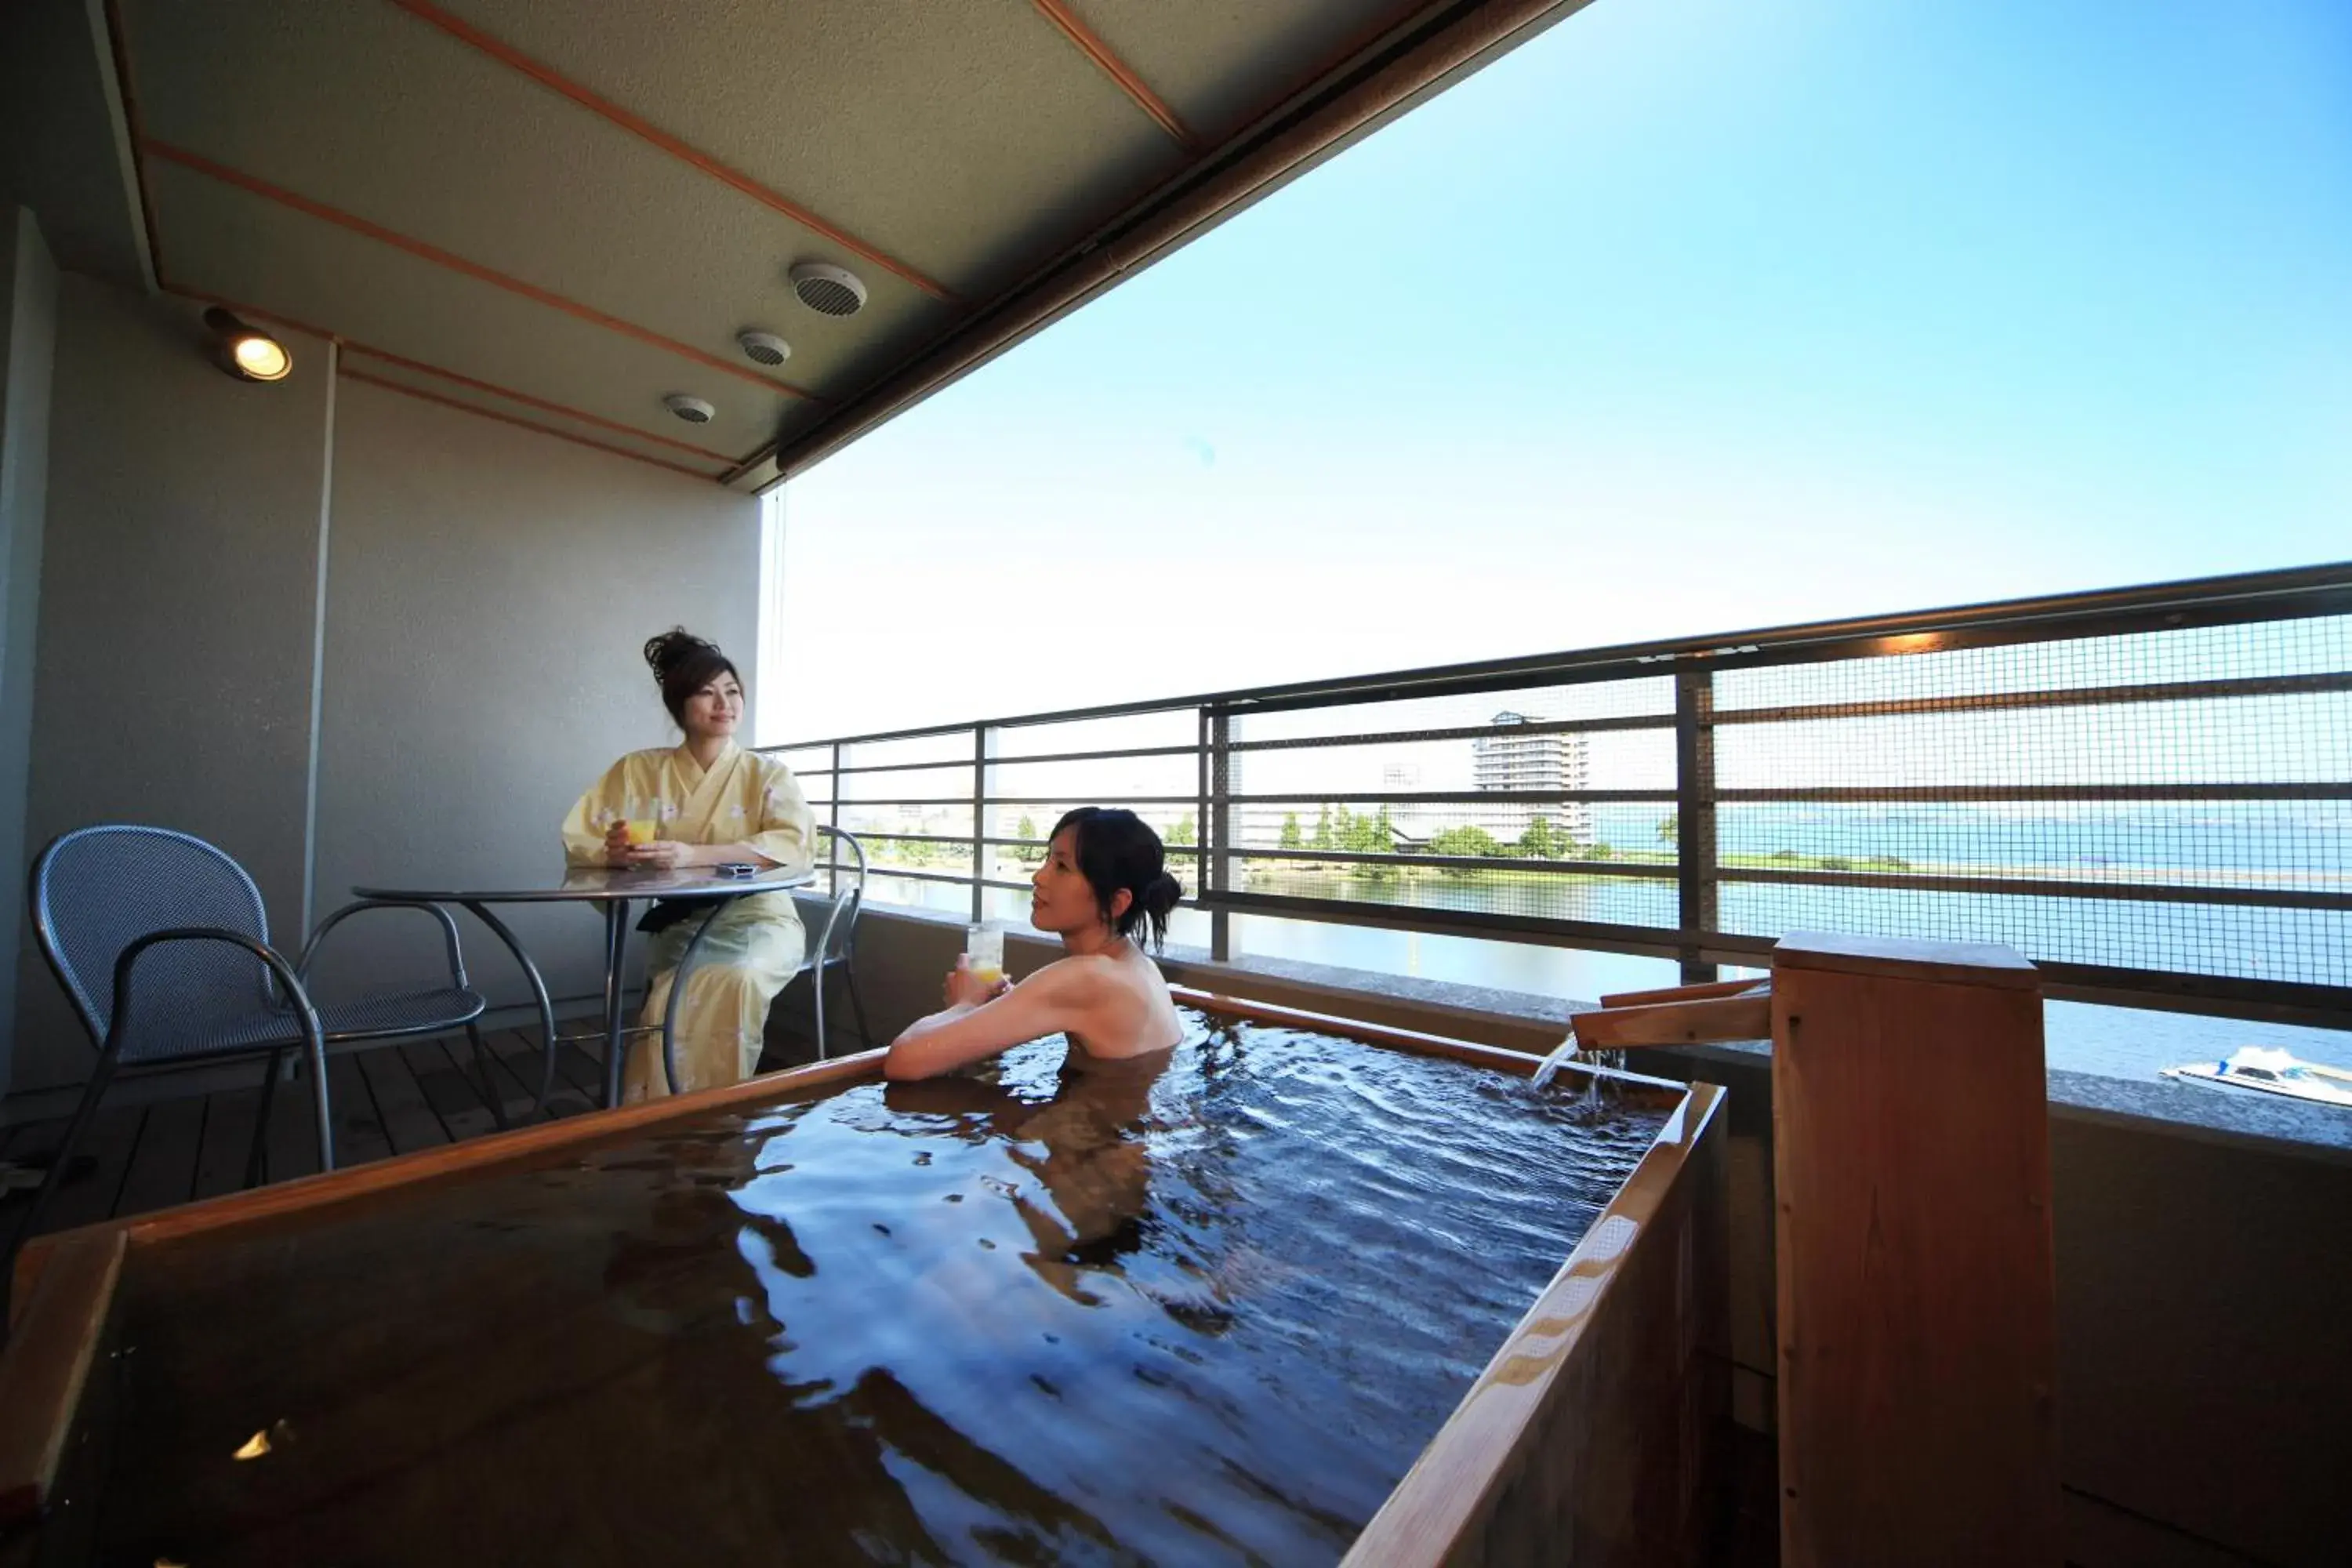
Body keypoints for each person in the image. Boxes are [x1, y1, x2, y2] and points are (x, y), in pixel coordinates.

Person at [561, 629, 814, 1100]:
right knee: (670, 996)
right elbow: (584, 838)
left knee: (736, 977)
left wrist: (692, 855)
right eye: (706, 692)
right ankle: (666, 1115)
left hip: (760, 919)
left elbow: (792, 843)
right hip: (683, 924)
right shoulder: (638, 770)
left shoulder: (768, 774)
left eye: (732, 691)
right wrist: (615, 854)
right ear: (680, 705)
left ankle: (715, 1110)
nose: (725, 703)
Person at [885, 807, 1183, 1080]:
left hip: (1101, 1136)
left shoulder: (1088, 976)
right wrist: (1011, 1004)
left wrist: (965, 1004)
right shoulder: (1139, 965)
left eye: (1063, 867)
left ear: (1117, 902)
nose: (1038, 876)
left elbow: (904, 1060)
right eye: (1048, 859)